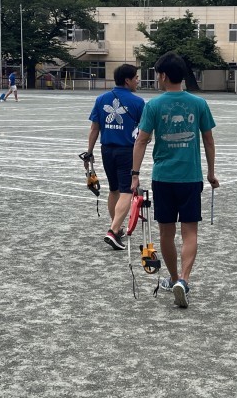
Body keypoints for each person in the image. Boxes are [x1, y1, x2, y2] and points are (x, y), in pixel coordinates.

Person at [130, 51, 219, 309]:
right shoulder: (199, 104)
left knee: (166, 232)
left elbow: (142, 141)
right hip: (190, 177)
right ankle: (184, 280)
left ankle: (172, 277)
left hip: (163, 178)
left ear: (163, 76)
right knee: (190, 231)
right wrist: (211, 173)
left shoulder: (154, 106)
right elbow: (209, 140)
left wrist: (135, 175)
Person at [85, 64, 145, 250]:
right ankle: (113, 230)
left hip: (106, 150)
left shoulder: (101, 99)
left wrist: (89, 152)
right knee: (127, 191)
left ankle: (116, 228)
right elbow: (145, 133)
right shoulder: (138, 102)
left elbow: (94, 128)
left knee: (114, 189)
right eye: (136, 77)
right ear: (127, 80)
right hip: (127, 151)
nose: (138, 81)